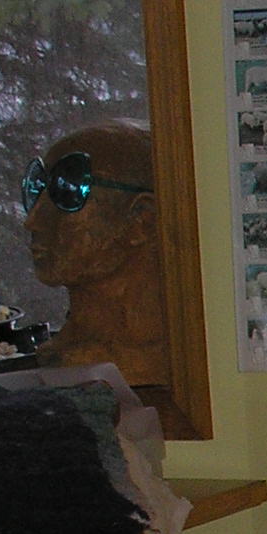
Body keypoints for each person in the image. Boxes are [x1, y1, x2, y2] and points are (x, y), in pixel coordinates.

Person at [25, 119, 171, 389]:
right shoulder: (61, 356)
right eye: (36, 188)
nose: (31, 221)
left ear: (142, 219)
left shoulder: (180, 356)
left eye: (66, 192)